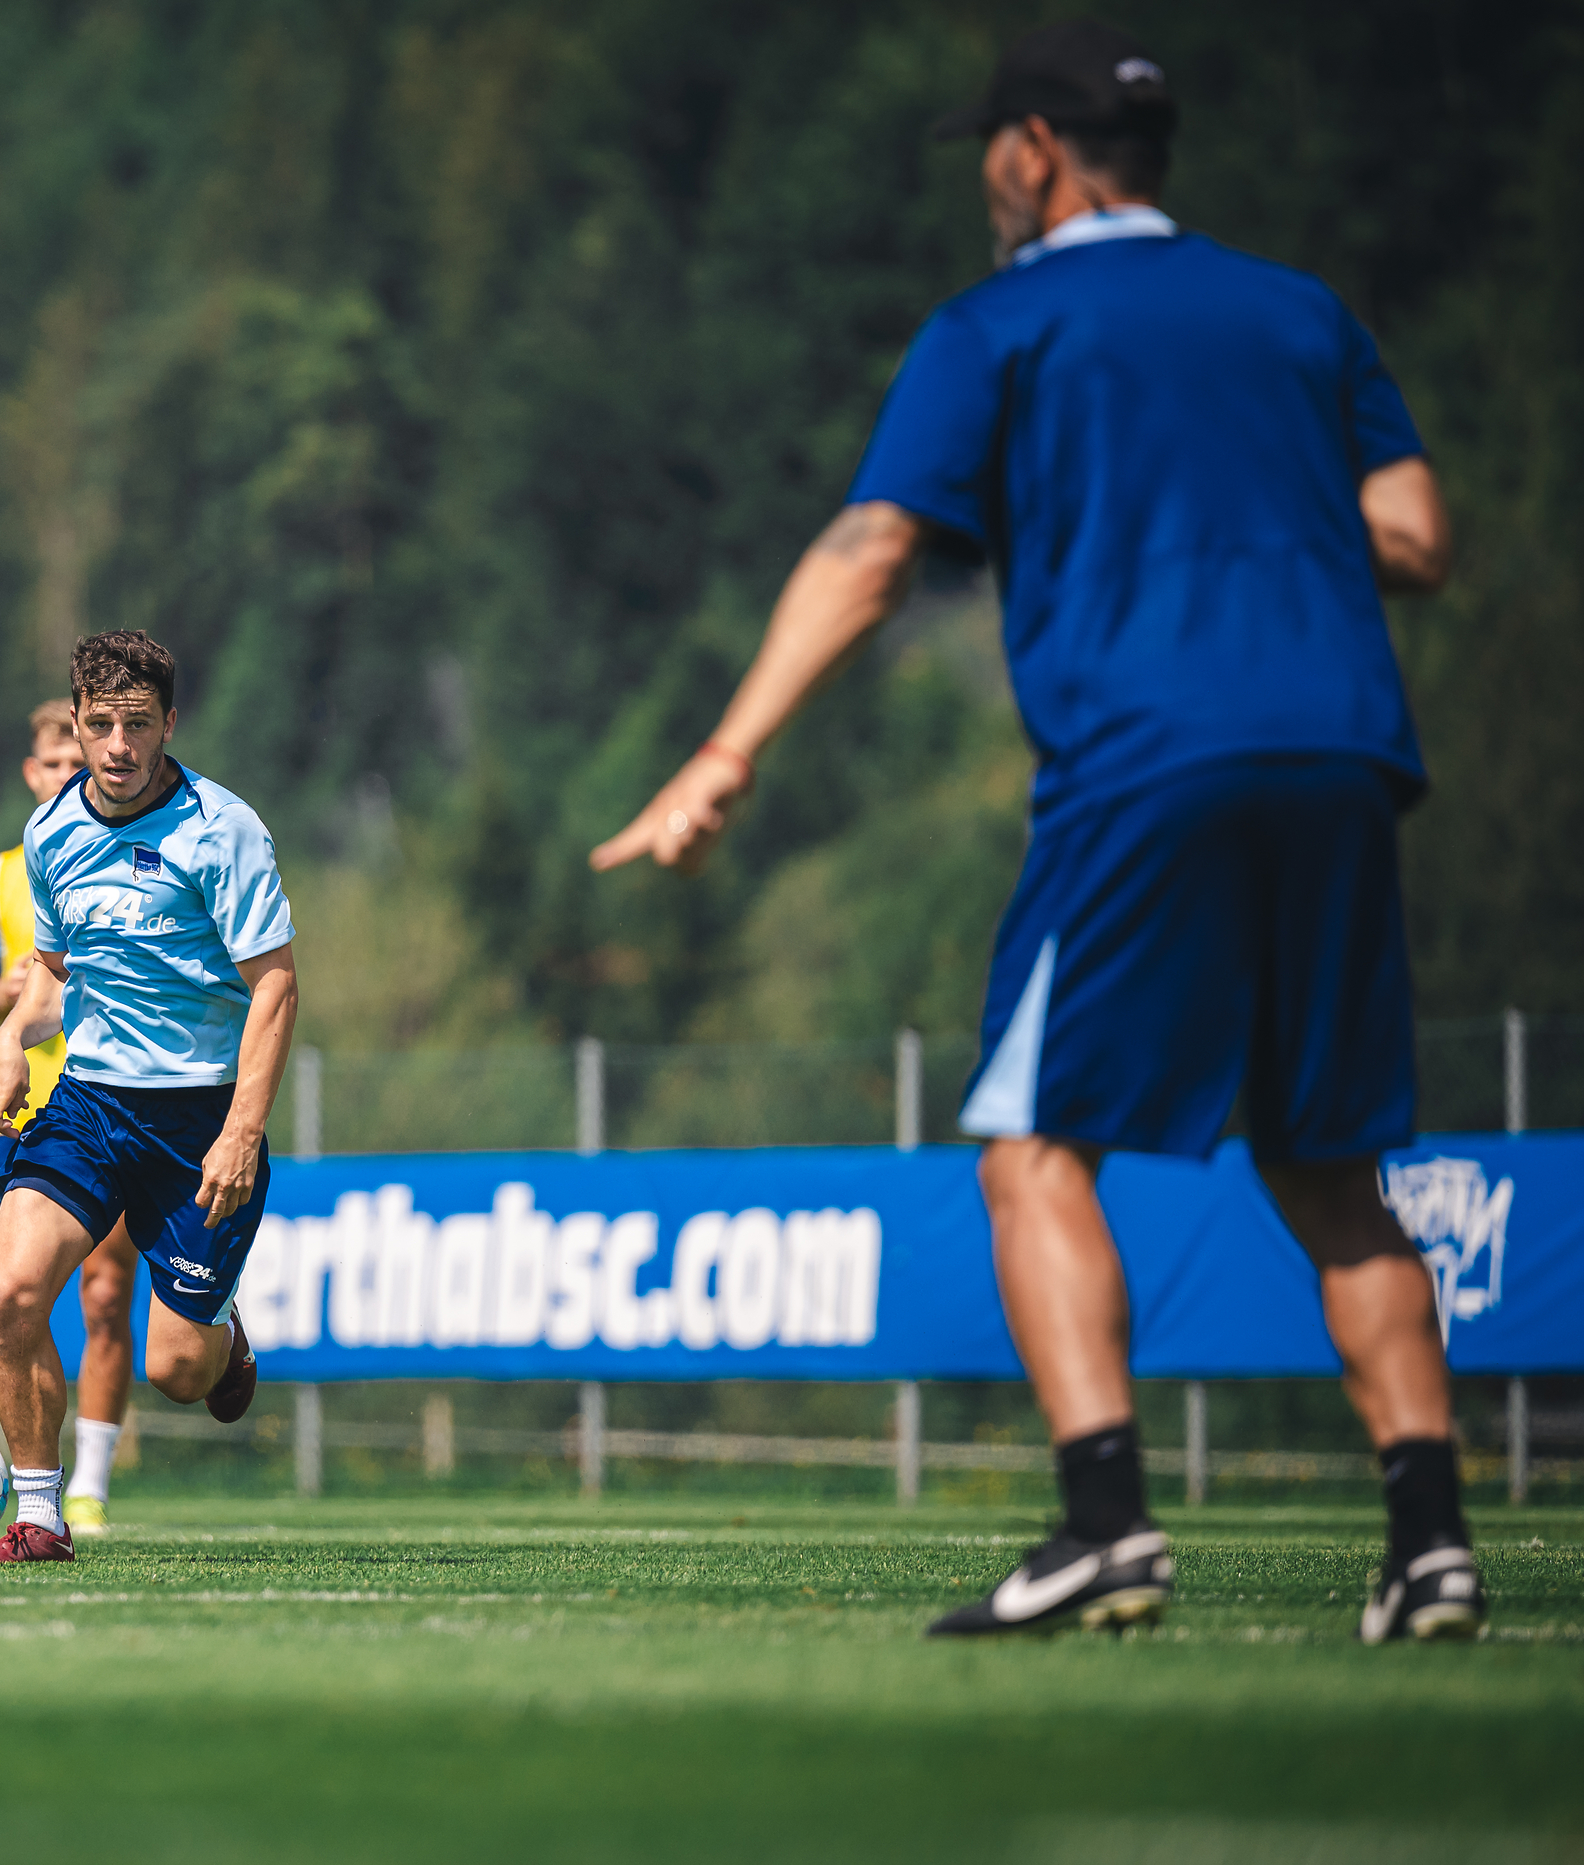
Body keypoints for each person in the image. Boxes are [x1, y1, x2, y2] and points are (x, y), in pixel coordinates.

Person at [591, 21, 1480, 1641]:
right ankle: (1430, 1547)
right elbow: (1417, 535)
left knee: (1028, 1142)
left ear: (1030, 155)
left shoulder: (1003, 322)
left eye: (990, 157)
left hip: (1150, 760)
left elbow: (870, 551)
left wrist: (724, 754)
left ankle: (1104, 1523)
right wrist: (1260, 502)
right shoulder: (1300, 313)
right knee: (1334, 1169)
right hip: (1345, 752)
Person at [0, 630, 298, 1563]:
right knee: (10, 1291)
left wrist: (243, 1130)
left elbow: (274, 984)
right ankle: (40, 1518)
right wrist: (9, 1034)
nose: (117, 745)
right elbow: (55, 972)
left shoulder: (222, 828)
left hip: (201, 1119)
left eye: (138, 724)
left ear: (168, 725)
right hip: (89, 1104)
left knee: (177, 1372)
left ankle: (223, 1340)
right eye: (101, 724)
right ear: (76, 723)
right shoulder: (49, 834)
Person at [0, 700, 144, 1537]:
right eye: (52, 762)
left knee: (105, 1297)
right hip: (21, 1115)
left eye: (78, 758)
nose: (66, 772)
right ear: (32, 772)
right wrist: (21, 993)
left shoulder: (129, 858)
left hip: (107, 1104)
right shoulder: (4, 873)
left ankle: (88, 1484)